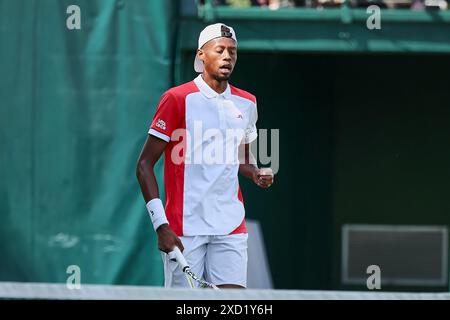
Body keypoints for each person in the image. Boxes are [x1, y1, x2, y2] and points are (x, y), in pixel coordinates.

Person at [136, 23, 274, 289]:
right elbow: (144, 165)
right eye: (220, 50)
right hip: (184, 229)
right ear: (201, 54)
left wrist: (255, 172)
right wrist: (160, 225)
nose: (227, 57)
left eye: (232, 52)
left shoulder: (247, 102)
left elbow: (241, 159)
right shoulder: (176, 98)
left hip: (230, 226)